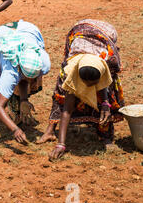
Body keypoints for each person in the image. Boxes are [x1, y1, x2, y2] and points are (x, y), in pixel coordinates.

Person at [37, 19, 125, 160]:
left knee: (108, 95)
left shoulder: (109, 61)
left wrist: (105, 104)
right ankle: (50, 131)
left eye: (94, 83)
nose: (90, 87)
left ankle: (105, 136)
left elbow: (104, 86)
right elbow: (67, 110)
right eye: (86, 83)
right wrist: (61, 144)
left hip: (105, 33)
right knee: (61, 94)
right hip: (78, 33)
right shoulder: (70, 72)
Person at [0, 20, 51, 143]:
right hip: (5, 34)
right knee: (7, 89)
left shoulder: (43, 62)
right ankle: (13, 112)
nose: (30, 81)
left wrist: (24, 100)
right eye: (27, 78)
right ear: (19, 69)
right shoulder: (10, 72)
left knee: (28, 84)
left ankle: (19, 105)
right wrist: (15, 129)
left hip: (28, 30)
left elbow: (24, 79)